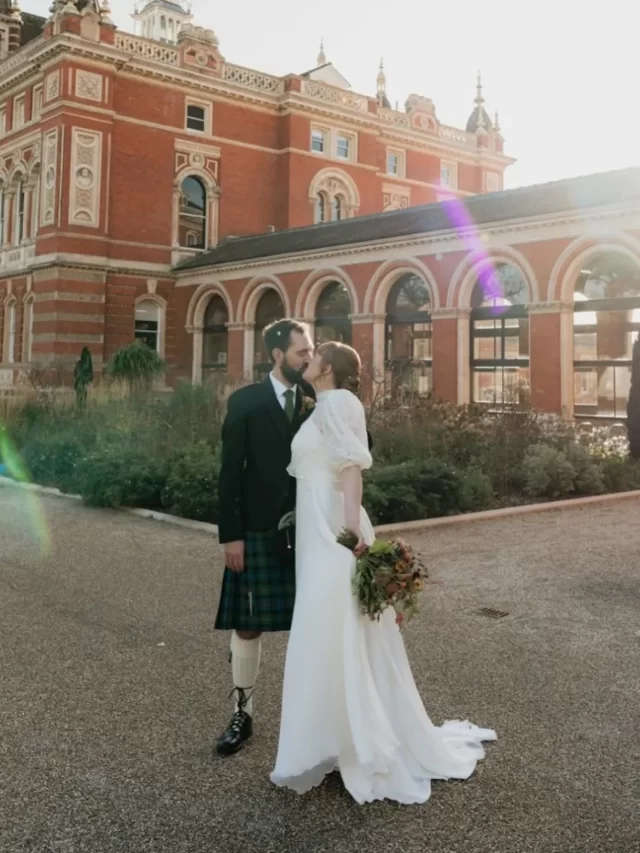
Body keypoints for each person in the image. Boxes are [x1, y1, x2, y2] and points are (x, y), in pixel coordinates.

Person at [271, 341, 496, 805]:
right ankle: (338, 739)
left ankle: (365, 743)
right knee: (327, 633)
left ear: (327, 367)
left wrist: (353, 527)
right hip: (318, 530)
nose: (306, 359)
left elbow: (351, 467)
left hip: (335, 529)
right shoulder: (325, 405)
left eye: (313, 355)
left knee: (337, 630)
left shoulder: (340, 402)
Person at [214, 319, 314, 757]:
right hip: (256, 530)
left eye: (310, 351)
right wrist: (231, 536)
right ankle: (243, 712)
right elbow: (229, 474)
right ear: (277, 355)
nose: (308, 358)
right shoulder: (246, 402)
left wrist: (336, 400)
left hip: (311, 531)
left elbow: (360, 444)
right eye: (300, 353)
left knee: (314, 625)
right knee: (248, 624)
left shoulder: (317, 400)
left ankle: (312, 719)